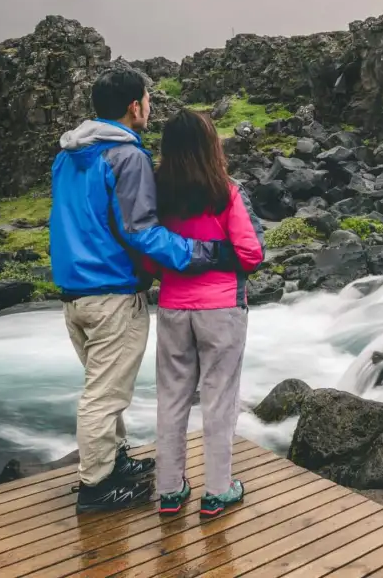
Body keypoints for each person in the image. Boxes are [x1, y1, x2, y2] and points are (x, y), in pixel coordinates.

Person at [50, 68, 237, 513]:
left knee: (102, 384)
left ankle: (114, 463)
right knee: (105, 394)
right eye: (148, 99)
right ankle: (96, 487)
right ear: (135, 106)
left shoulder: (68, 155)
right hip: (111, 292)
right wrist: (207, 253)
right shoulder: (126, 157)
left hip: (73, 293)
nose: (150, 105)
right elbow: (141, 232)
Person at [147, 108, 264, 518]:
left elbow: (149, 254)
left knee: (172, 398)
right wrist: (220, 256)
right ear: (211, 145)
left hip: (173, 308)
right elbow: (251, 254)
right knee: (219, 400)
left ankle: (170, 490)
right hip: (221, 310)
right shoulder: (225, 192)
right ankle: (217, 491)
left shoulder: (156, 195)